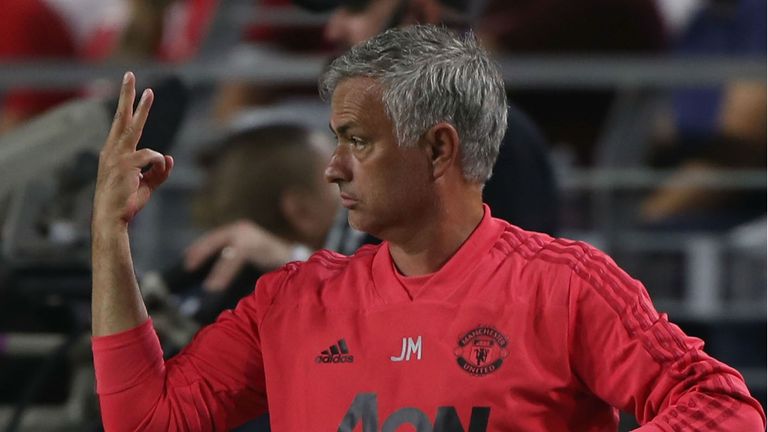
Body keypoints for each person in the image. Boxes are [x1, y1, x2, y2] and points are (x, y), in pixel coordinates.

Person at [90, 25, 764, 430]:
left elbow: (724, 408)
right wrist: (109, 236)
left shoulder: (563, 287)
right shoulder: (290, 302)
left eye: (358, 141)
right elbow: (148, 419)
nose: (333, 169)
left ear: (440, 149)